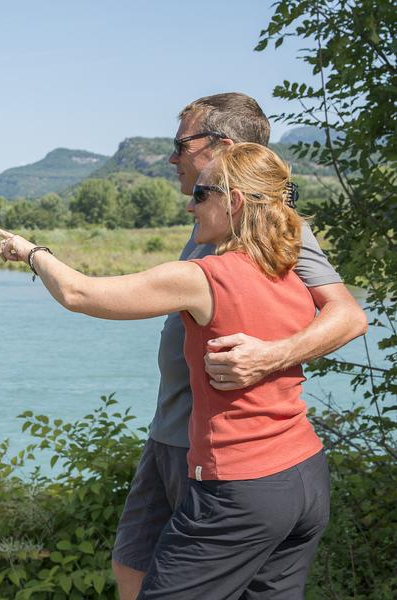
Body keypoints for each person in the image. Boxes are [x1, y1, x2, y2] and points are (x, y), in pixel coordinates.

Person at [0, 142, 338, 597]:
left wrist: (31, 251)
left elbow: (82, 294)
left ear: (233, 202)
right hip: (305, 479)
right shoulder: (292, 274)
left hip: (238, 490)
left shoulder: (203, 276)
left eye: (201, 194)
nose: (190, 204)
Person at [104, 93, 367, 600]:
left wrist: (271, 355)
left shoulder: (275, 226)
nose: (172, 156)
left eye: (182, 143)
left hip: (215, 453)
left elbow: (348, 315)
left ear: (221, 148)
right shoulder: (210, 216)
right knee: (131, 564)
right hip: (169, 433)